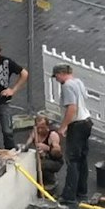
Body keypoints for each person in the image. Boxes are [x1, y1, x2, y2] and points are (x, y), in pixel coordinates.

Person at [51, 63, 94, 201]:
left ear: (60, 74)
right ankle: (82, 191)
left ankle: (69, 196)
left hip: (77, 125)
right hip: (87, 122)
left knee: (73, 160)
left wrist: (63, 127)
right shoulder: (78, 82)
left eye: (56, 76)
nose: (56, 80)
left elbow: (72, 109)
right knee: (82, 159)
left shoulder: (67, 86)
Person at [27, 113, 64, 181]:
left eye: (42, 127)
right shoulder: (35, 132)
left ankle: (51, 180)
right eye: (38, 128)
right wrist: (24, 147)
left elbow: (58, 154)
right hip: (42, 157)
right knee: (31, 163)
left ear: (47, 126)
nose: (40, 130)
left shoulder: (53, 135)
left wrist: (47, 148)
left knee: (41, 164)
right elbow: (27, 144)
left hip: (54, 161)